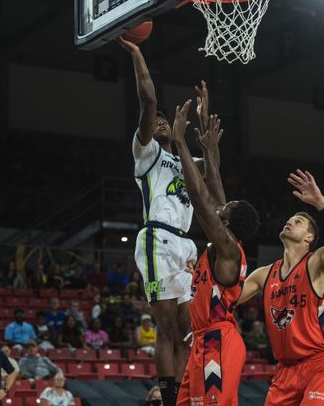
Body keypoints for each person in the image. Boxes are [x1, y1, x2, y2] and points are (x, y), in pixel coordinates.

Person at [119, 37, 207, 406]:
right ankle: (169, 398)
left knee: (189, 333)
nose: (158, 122)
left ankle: (185, 394)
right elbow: (149, 101)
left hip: (185, 243)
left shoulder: (187, 163)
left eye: (163, 122)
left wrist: (203, 122)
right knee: (168, 328)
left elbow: (213, 178)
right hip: (156, 238)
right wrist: (139, 56)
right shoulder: (147, 154)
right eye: (153, 122)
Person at [238, 169, 324, 406]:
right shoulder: (264, 275)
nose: (290, 222)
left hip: (321, 362)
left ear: (308, 238)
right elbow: (228, 297)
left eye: (299, 221)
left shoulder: (317, 262)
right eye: (290, 219)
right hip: (285, 370)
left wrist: (320, 203)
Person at [172, 99, 260, 406]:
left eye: (227, 207)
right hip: (202, 340)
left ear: (228, 220)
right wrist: (209, 150)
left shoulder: (228, 248)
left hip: (218, 340)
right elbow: (215, 186)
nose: (221, 205)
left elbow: (199, 196)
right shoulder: (224, 243)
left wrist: (179, 141)